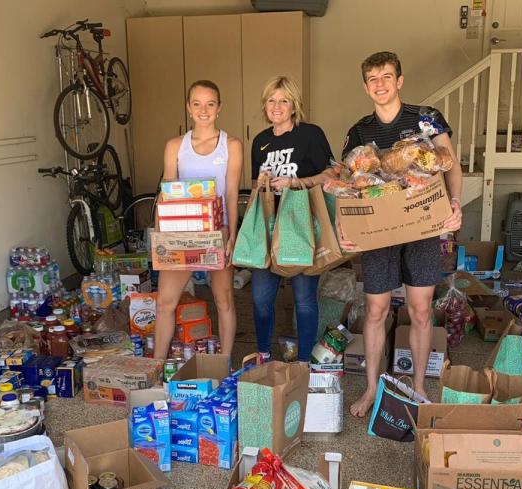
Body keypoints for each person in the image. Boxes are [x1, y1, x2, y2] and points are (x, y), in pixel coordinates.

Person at [341, 51, 463, 417]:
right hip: (379, 231)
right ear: (365, 87)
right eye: (373, 79)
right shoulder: (359, 132)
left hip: (422, 227)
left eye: (387, 76)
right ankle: (371, 388)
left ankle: (420, 386)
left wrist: (454, 203)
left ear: (400, 80)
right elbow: (348, 186)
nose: (380, 84)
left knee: (421, 309)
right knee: (376, 310)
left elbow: (450, 163)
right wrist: (346, 229)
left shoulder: (426, 119)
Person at [153, 80, 242, 360]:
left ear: (219, 107)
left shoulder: (231, 145)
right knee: (166, 302)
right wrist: (160, 238)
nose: (204, 110)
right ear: (188, 108)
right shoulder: (175, 146)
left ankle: (224, 362)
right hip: (182, 235)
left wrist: (232, 236)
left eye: (210, 104)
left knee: (224, 299)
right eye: (197, 104)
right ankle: (156, 365)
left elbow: (230, 192)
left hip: (217, 232)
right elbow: (166, 192)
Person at [250, 76, 334, 363]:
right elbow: (254, 185)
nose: (277, 106)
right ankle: (263, 354)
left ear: (294, 105)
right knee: (261, 299)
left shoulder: (310, 134)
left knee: (304, 300)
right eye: (271, 100)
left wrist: (296, 182)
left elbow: (331, 175)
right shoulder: (260, 141)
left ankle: (302, 363)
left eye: (283, 100)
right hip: (268, 227)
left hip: (300, 226)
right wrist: (260, 182)